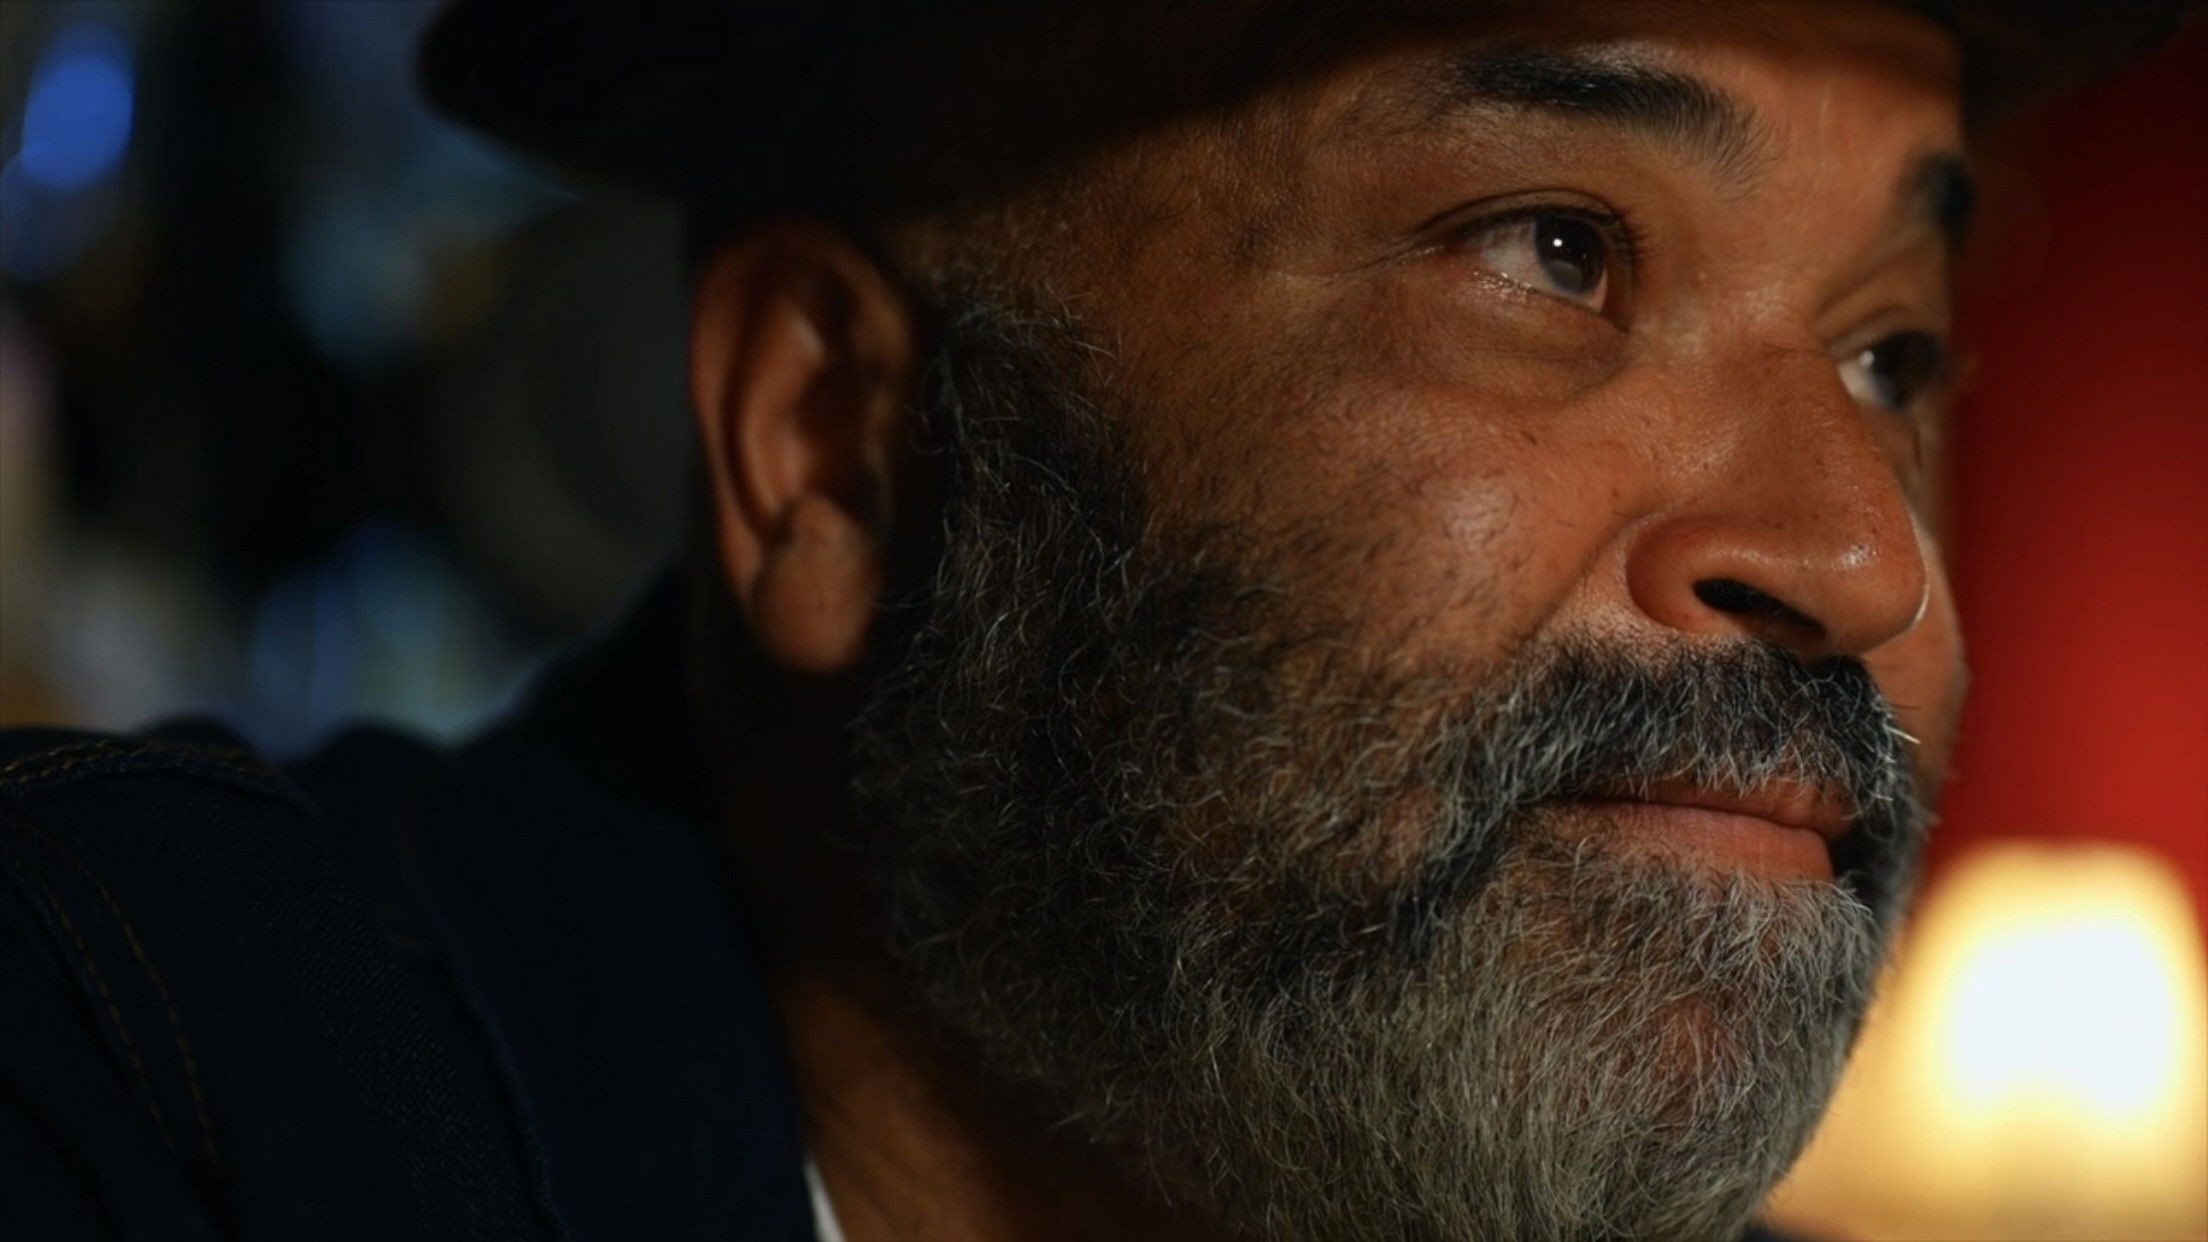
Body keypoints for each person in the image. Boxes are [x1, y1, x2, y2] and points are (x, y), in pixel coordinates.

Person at [0, 2, 2188, 1240]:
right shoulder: (131, 1090)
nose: (1862, 563)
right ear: (832, 441)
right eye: (1554, 248)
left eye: (1890, 354)